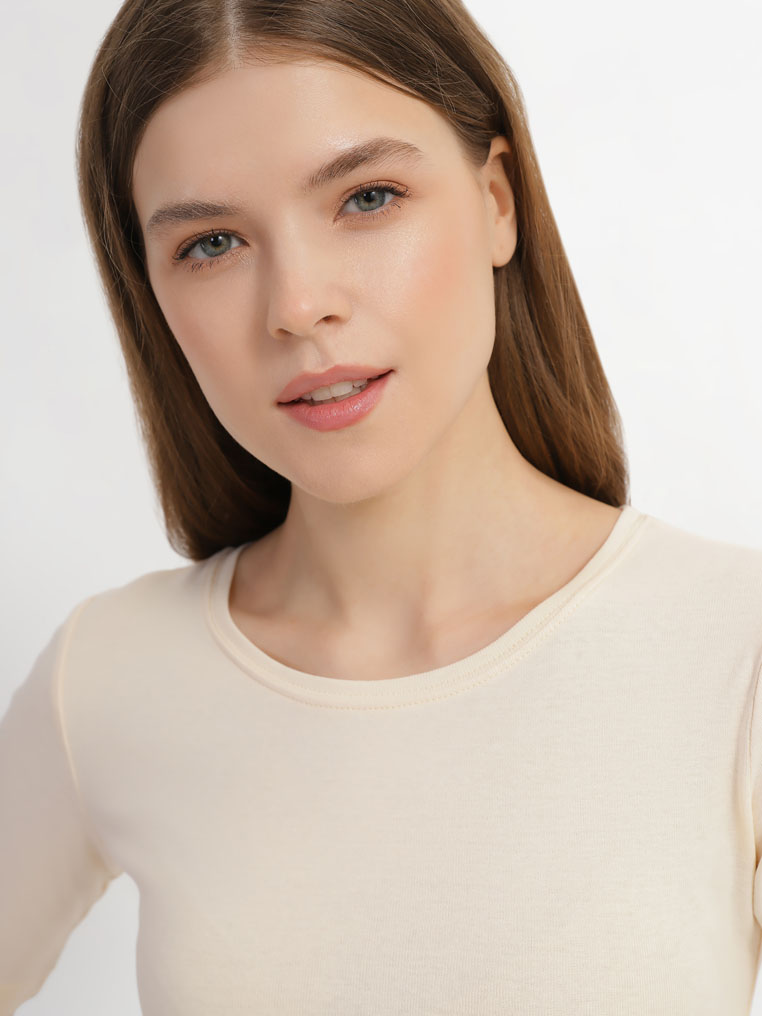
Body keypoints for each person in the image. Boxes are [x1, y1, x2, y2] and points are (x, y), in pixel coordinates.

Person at [1, 0, 761, 1012]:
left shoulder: (735, 649)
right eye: (213, 243)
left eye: (367, 197)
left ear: (497, 201)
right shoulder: (109, 675)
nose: (296, 304)